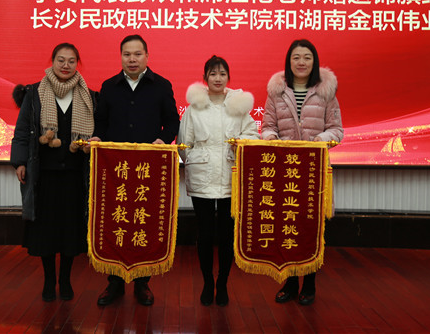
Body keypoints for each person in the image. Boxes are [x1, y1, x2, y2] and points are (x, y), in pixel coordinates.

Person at [89, 34, 180, 306]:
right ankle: (115, 282)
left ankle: (142, 282)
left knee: (143, 221)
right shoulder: (109, 87)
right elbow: (101, 122)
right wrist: (97, 137)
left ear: (147, 56)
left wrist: (163, 140)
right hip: (115, 169)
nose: (132, 59)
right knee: (116, 221)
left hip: (147, 168)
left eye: (137, 54)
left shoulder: (161, 85)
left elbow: (172, 121)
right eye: (127, 54)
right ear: (120, 57)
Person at [10, 43, 96, 302]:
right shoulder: (35, 93)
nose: (66, 65)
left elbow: (98, 132)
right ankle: (49, 280)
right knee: (45, 231)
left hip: (75, 175)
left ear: (77, 64)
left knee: (70, 230)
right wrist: (20, 162)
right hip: (44, 175)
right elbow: (22, 131)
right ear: (52, 61)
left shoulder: (89, 95)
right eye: (61, 60)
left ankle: (66, 280)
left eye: (71, 61)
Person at [261, 38, 343, 306]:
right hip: (284, 168)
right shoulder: (276, 92)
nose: (301, 62)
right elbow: (267, 126)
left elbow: (337, 130)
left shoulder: (326, 92)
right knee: (287, 225)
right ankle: (290, 281)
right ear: (289, 61)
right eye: (296, 57)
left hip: (314, 169)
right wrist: (271, 138)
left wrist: (322, 139)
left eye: (307, 57)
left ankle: (309, 283)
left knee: (310, 226)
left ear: (314, 62)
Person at [177, 55, 259, 306]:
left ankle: (222, 283)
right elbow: (184, 145)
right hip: (202, 177)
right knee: (204, 234)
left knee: (226, 235)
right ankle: (207, 282)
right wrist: (197, 161)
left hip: (230, 176)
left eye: (222, 73)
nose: (218, 78)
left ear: (228, 78)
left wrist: (240, 144)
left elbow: (253, 135)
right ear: (205, 78)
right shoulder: (194, 108)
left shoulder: (238, 106)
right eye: (213, 73)